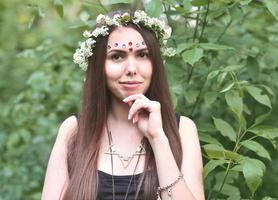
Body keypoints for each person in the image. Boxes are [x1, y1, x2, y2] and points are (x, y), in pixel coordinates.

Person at [42, 10, 205, 200]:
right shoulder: (74, 130)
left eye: (142, 55)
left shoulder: (182, 130)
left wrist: (158, 140)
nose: (131, 69)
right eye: (117, 56)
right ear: (98, 66)